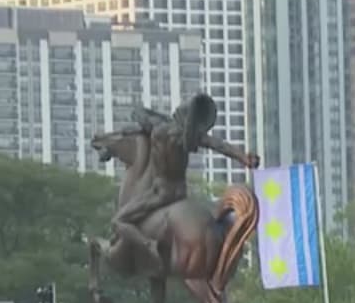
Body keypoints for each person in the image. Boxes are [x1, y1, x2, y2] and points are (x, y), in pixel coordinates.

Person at [107, 95, 260, 270]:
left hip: (159, 194)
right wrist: (244, 158)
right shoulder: (189, 138)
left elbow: (139, 117)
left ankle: (148, 244)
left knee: (118, 221)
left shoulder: (158, 130)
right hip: (180, 193)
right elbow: (220, 145)